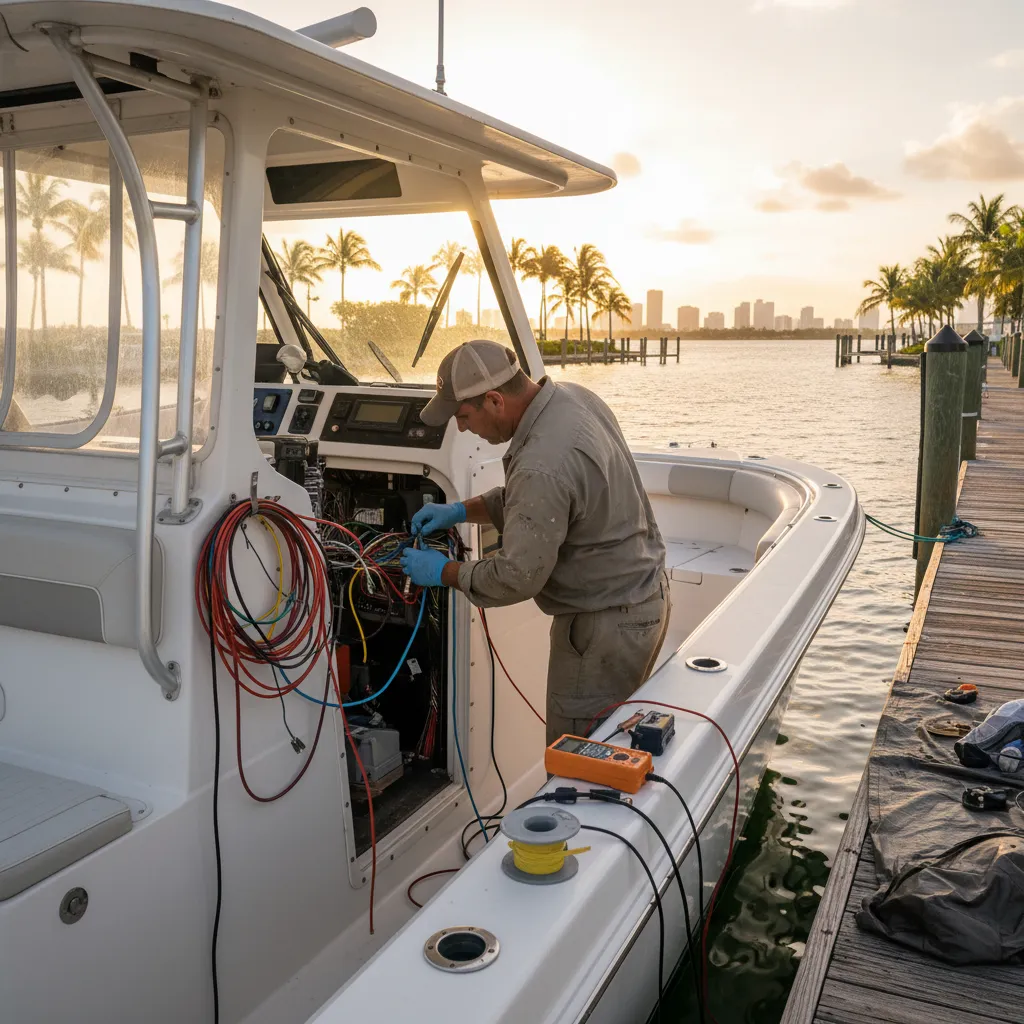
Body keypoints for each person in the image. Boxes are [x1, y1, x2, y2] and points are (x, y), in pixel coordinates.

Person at [400, 339, 670, 745]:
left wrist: (443, 573)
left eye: (463, 415)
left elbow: (518, 576)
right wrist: (457, 511)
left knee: (580, 763)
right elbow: (542, 503)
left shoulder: (543, 460)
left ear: (494, 400)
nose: (460, 427)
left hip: (603, 629)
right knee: (613, 744)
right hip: (642, 600)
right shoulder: (570, 398)